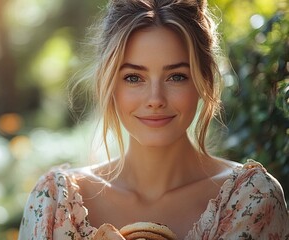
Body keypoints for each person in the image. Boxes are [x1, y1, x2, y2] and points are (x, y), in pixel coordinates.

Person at [18, 0, 289, 239]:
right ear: (110, 83)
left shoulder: (252, 199)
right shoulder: (53, 203)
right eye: (134, 77)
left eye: (176, 76)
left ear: (203, 80)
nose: (155, 98)